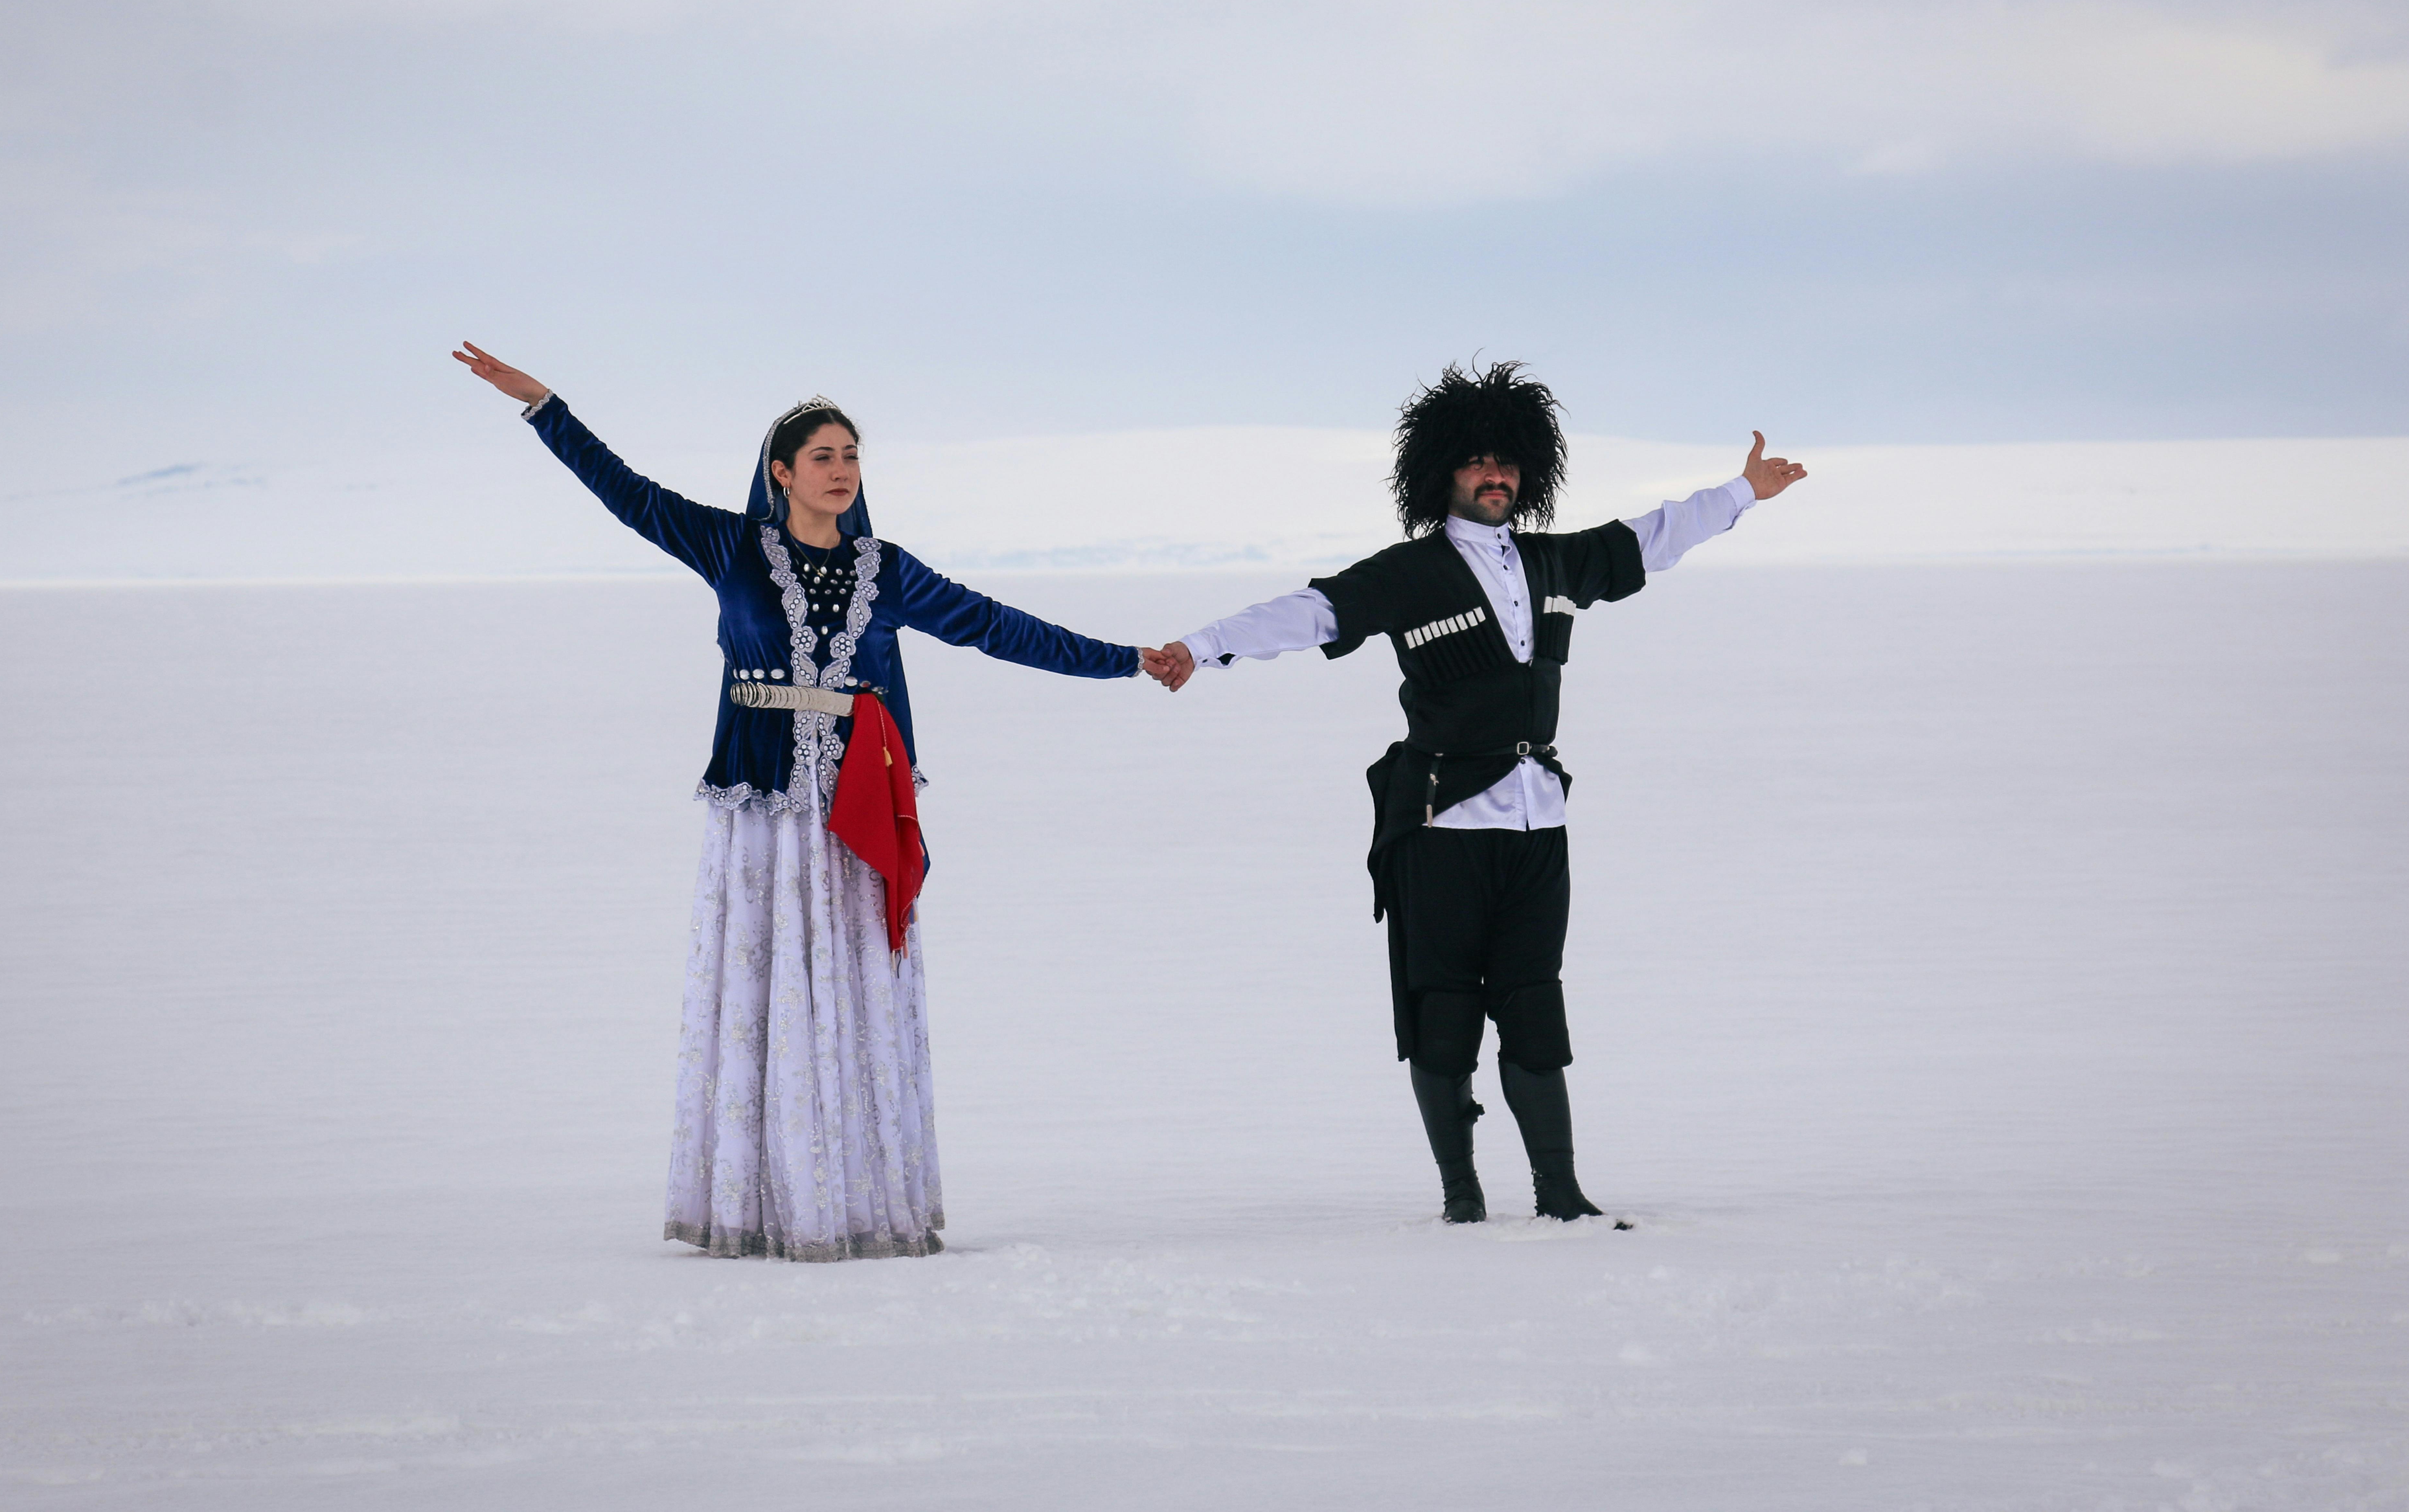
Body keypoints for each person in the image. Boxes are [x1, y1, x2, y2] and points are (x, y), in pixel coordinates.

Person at [454, 343, 1156, 1261]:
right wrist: (544, 405)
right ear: (781, 472)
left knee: (860, 985)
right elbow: (625, 492)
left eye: (851, 457)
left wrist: (1129, 658)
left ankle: (858, 1196)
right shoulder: (727, 546)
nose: (840, 472)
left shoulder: (887, 570)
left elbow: (997, 627)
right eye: (822, 457)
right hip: (764, 805)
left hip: (857, 803)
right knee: (767, 984)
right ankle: (766, 1200)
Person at [1142, 360, 1805, 1225]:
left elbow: (1653, 538)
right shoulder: (1407, 575)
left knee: (1535, 1002)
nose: (1496, 477)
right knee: (1445, 1011)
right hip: (1439, 822)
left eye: (1508, 464)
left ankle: (1560, 1194)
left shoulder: (1556, 561)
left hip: (1540, 821)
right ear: (1441, 475)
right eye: (1475, 463)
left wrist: (1742, 492)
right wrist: (1203, 646)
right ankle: (1461, 1196)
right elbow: (1309, 613)